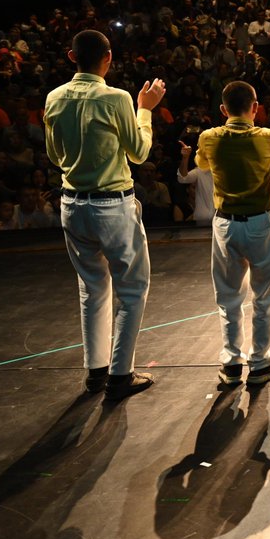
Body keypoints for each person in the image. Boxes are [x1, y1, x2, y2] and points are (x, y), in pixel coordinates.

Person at [44, 29, 165, 399]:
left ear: (71, 57)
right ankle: (119, 375)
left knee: (92, 288)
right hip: (111, 206)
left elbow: (54, 155)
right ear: (108, 58)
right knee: (131, 289)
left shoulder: (54, 97)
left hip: (71, 203)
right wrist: (145, 109)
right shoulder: (116, 98)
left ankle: (96, 371)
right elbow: (140, 152)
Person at [196, 80, 270, 386]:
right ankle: (260, 361)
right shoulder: (268, 137)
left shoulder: (209, 137)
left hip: (225, 223)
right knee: (264, 295)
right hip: (260, 223)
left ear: (224, 109)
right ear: (255, 108)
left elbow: (201, 163)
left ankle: (230, 362)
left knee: (228, 296)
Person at [177, 141, 216, 225]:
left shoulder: (225, 172)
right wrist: (185, 158)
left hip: (223, 219)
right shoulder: (200, 171)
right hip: (202, 218)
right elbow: (183, 178)